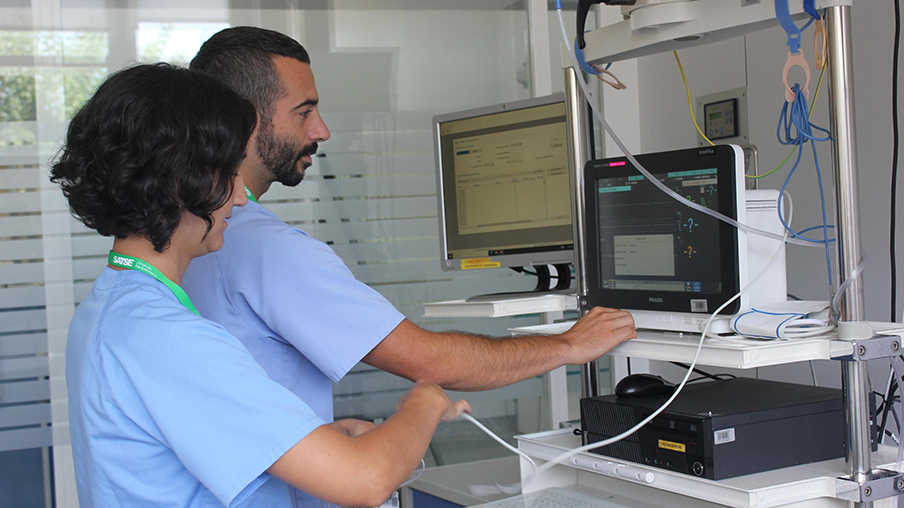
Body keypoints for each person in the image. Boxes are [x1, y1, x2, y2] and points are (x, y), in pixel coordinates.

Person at [182, 26, 637, 507]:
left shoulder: (188, 236)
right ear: (247, 120)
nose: (322, 130)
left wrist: (318, 435)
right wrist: (569, 344)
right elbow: (430, 363)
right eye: (305, 111)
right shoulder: (263, 247)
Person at [52, 63, 470, 508]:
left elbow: (165, 456)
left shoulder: (108, 308)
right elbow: (365, 481)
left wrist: (328, 439)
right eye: (229, 173)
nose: (238, 196)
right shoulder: (170, 337)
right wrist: (424, 402)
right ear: (183, 179)